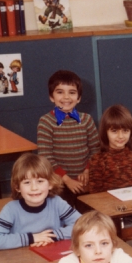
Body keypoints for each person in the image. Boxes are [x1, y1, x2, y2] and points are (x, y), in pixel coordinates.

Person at [36, 69, 100, 204]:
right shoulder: (46, 122)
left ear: (79, 98)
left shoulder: (87, 120)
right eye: (60, 92)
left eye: (72, 92)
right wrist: (66, 180)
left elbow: (95, 150)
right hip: (58, 183)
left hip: (85, 180)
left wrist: (88, 171)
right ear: (51, 97)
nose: (66, 97)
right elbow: (45, 156)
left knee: (89, 215)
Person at [87, 104, 132, 193]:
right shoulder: (97, 159)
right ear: (105, 132)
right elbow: (95, 192)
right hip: (109, 205)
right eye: (114, 131)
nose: (120, 136)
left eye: (125, 131)